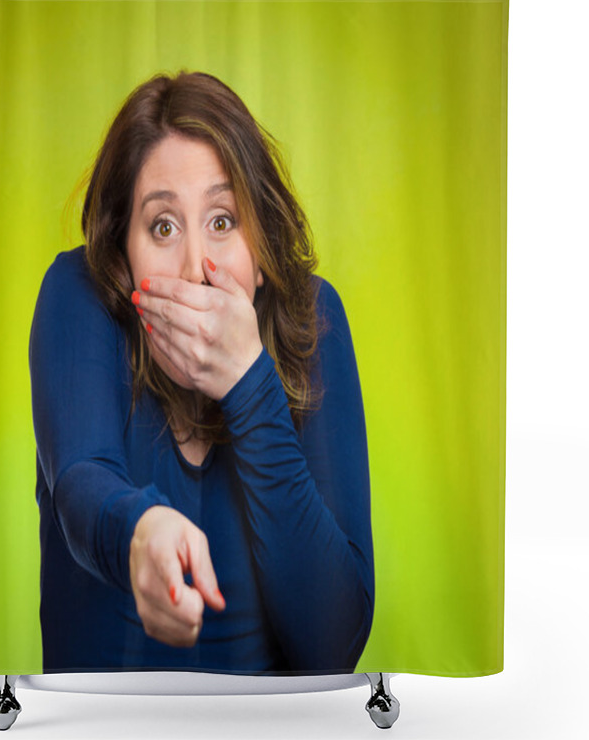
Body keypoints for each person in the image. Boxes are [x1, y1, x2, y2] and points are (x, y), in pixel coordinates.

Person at [29, 70, 374, 675]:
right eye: (163, 226)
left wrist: (249, 382)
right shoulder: (76, 294)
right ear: (123, 259)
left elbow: (334, 643)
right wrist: (141, 531)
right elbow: (82, 480)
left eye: (223, 221)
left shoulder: (316, 318)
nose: (195, 269)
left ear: (261, 250)